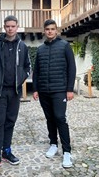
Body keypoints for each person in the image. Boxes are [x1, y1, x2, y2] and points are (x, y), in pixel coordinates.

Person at [0, 15, 31, 174]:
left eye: (13, 26)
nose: (10, 29)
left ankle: (7, 151)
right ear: (4, 27)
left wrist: (21, 79)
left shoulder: (22, 46)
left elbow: (27, 67)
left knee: (10, 121)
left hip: (14, 92)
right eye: (8, 26)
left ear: (17, 27)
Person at [32, 19, 76, 168]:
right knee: (49, 118)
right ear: (44, 31)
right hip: (44, 91)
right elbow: (36, 71)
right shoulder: (40, 49)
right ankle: (53, 144)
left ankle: (67, 152)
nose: (50, 31)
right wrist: (36, 89)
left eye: (52, 29)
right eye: (47, 29)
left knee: (60, 118)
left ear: (56, 31)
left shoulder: (64, 46)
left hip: (59, 90)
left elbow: (72, 68)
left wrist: (70, 89)